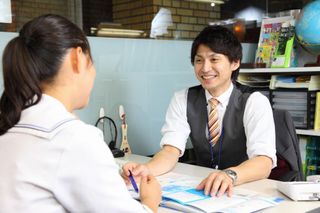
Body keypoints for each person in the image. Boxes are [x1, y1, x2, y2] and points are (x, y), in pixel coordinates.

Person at [0, 14, 161, 213]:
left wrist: (109, 180)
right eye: (92, 63)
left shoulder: (13, 123)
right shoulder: (72, 138)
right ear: (77, 58)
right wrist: (150, 202)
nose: (93, 73)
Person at [123, 25, 276, 197]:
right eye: (199, 60)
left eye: (214, 59)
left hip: (244, 189)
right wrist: (146, 170)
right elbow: (170, 151)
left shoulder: (254, 101)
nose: (205, 68)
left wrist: (230, 175)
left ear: (235, 63)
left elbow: (264, 162)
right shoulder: (182, 98)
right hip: (203, 189)